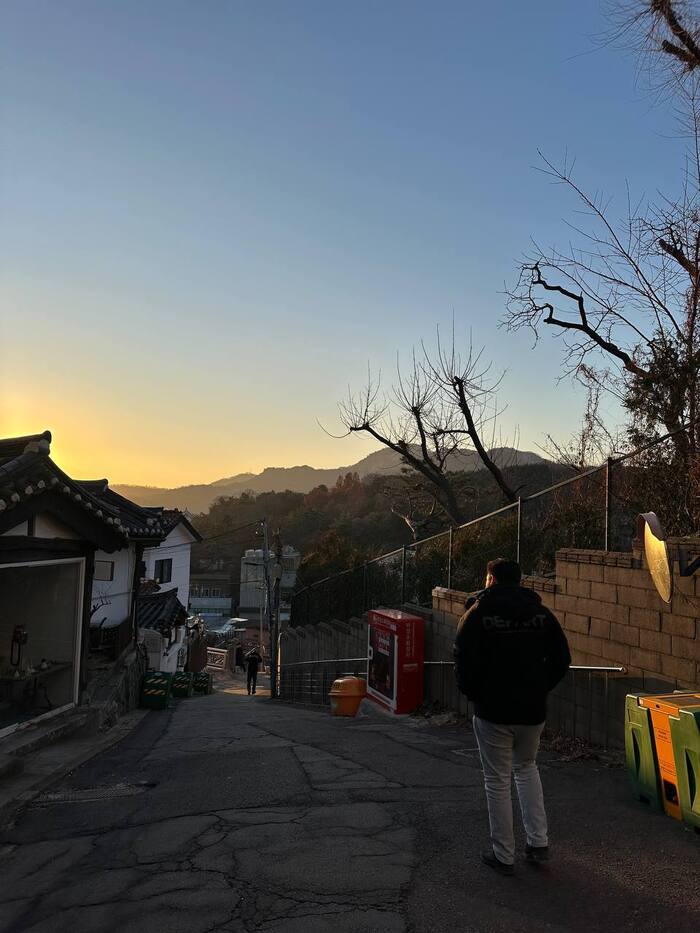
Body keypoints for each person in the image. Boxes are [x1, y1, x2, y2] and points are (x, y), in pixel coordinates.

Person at [454, 558, 571, 876]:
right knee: (527, 767)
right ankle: (538, 842)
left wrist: (474, 694)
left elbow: (462, 659)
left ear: (491, 579)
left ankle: (503, 853)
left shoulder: (477, 614)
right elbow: (562, 658)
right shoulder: (541, 614)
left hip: (493, 711)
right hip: (532, 710)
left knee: (496, 780)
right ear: (519, 580)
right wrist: (540, 687)